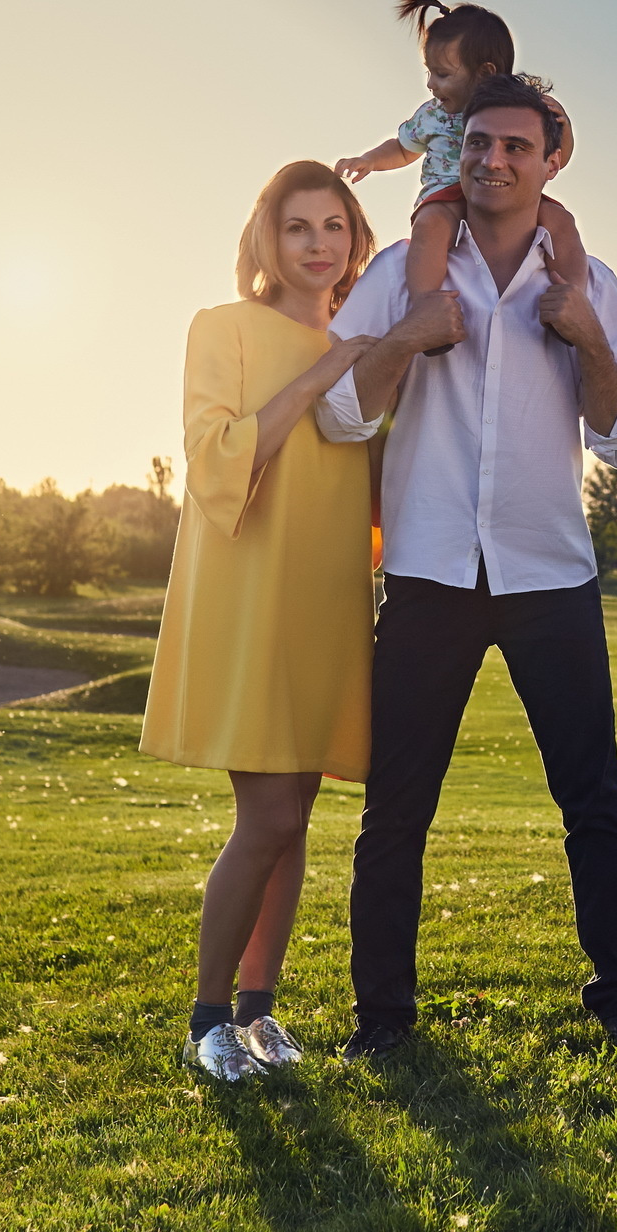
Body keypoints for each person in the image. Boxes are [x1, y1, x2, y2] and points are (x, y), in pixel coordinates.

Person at [315, 72, 617, 1062]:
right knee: (397, 807)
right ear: (457, 152)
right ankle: (380, 1020)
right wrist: (408, 335)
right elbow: (342, 414)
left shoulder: (592, 285)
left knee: (593, 798)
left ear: (552, 159)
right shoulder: (402, 271)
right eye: (477, 145)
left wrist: (587, 334)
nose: (493, 162)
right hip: (428, 571)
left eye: (516, 146)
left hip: (549, 574)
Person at [142, 161, 380, 1083]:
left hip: (327, 594)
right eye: (297, 228)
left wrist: (358, 358)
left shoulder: (360, 342)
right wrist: (331, 369)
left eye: (334, 227)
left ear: (355, 240)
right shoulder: (224, 328)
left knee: (299, 813)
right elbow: (215, 457)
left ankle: (260, 1014)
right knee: (268, 812)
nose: (318, 245)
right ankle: (206, 1022)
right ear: (265, 242)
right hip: (248, 589)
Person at [333, 0, 588, 350]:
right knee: (430, 227)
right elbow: (405, 147)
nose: (430, 84)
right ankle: (426, 308)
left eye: (442, 74)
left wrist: (563, 125)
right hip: (446, 194)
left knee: (561, 221)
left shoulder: (521, 110)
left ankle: (572, 303)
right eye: (430, 72)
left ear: (483, 73)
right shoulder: (434, 115)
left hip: (509, 194)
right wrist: (369, 160)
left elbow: (557, 156)